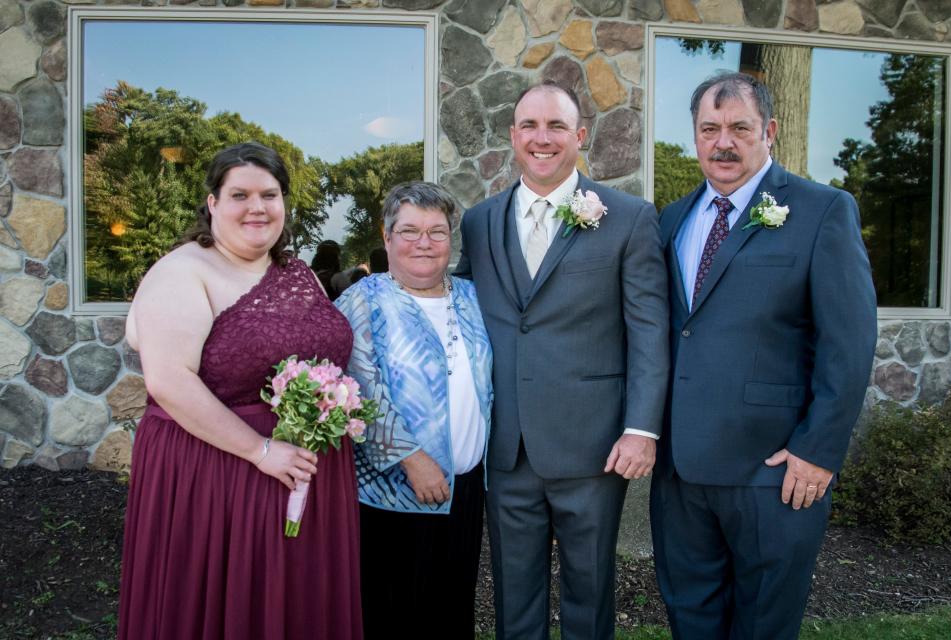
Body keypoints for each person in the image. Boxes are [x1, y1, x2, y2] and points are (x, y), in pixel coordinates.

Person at [652, 72, 877, 640]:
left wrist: (817, 452)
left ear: (769, 131)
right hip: (681, 473)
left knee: (763, 628)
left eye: (739, 128)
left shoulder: (824, 210)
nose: (723, 142)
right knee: (691, 621)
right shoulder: (673, 219)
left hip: (774, 472)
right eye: (710, 129)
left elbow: (848, 345)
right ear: (696, 137)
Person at [118, 142, 363, 639]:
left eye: (269, 195)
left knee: (297, 603)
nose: (257, 207)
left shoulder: (298, 272)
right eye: (240, 195)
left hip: (306, 465)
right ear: (212, 203)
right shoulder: (183, 272)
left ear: (284, 203)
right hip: (219, 473)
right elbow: (168, 381)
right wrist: (261, 450)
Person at [455, 81, 669, 639]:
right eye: (529, 126)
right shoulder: (479, 222)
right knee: (513, 594)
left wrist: (641, 429)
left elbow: (649, 330)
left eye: (555, 127)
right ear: (512, 136)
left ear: (579, 136)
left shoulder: (627, 217)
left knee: (588, 590)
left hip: (594, 446)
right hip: (507, 447)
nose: (541, 138)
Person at [335, 181, 493, 640]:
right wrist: (412, 459)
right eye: (409, 231)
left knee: (452, 609)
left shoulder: (472, 298)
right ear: (387, 240)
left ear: (450, 240)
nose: (423, 243)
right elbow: (360, 390)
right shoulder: (363, 301)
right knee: (393, 612)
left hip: (465, 489)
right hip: (393, 492)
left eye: (436, 231)